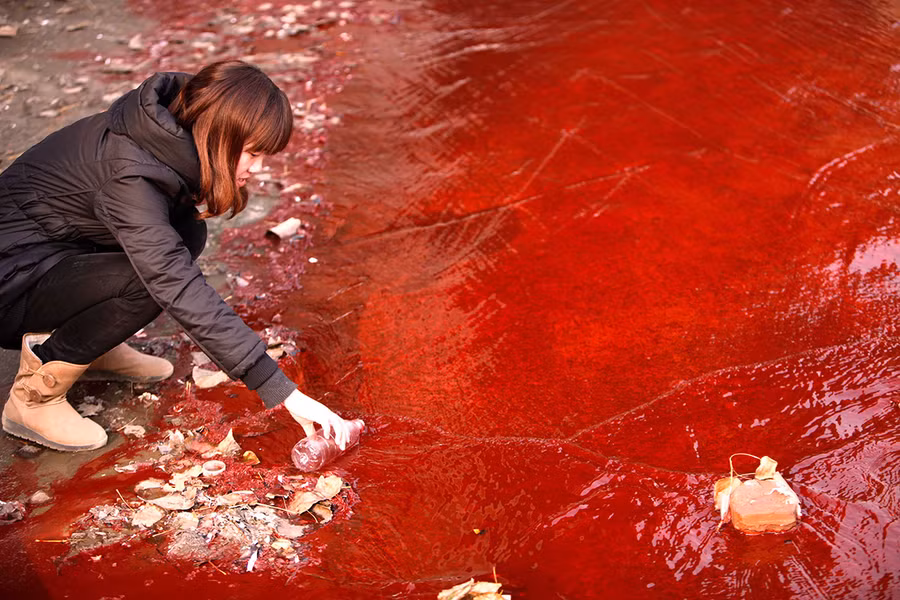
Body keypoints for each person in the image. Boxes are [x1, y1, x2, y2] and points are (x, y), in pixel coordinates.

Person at [0, 60, 352, 452]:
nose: (258, 168)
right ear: (217, 134)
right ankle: (34, 396)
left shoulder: (165, 130)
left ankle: (88, 344)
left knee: (186, 232)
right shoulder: (130, 174)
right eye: (252, 153)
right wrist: (277, 386)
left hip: (49, 253)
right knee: (153, 277)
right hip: (11, 283)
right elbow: (172, 279)